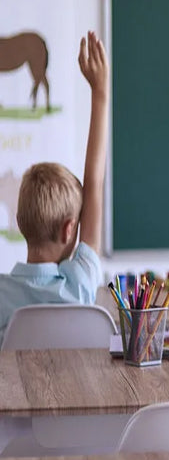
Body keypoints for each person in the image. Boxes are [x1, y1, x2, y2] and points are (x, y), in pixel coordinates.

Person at [0, 32, 109, 345]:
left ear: (19, 223)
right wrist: (100, 91)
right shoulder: (79, 285)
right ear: (69, 229)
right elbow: (95, 184)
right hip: (81, 397)